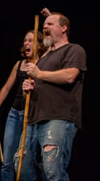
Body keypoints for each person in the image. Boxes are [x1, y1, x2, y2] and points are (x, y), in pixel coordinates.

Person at [16, 12, 86, 180]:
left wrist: (40, 74)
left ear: (64, 28)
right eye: (44, 24)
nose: (44, 27)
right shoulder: (43, 58)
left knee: (52, 169)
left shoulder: (74, 50)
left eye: (50, 24)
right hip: (34, 118)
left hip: (58, 116)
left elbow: (70, 75)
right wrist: (29, 86)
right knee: (21, 166)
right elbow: (41, 80)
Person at [0, 30, 47, 181]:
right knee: (7, 161)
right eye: (25, 40)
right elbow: (6, 88)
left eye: (31, 41)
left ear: (40, 45)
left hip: (32, 117)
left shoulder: (43, 64)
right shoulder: (20, 64)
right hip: (14, 114)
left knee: (24, 161)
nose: (26, 43)